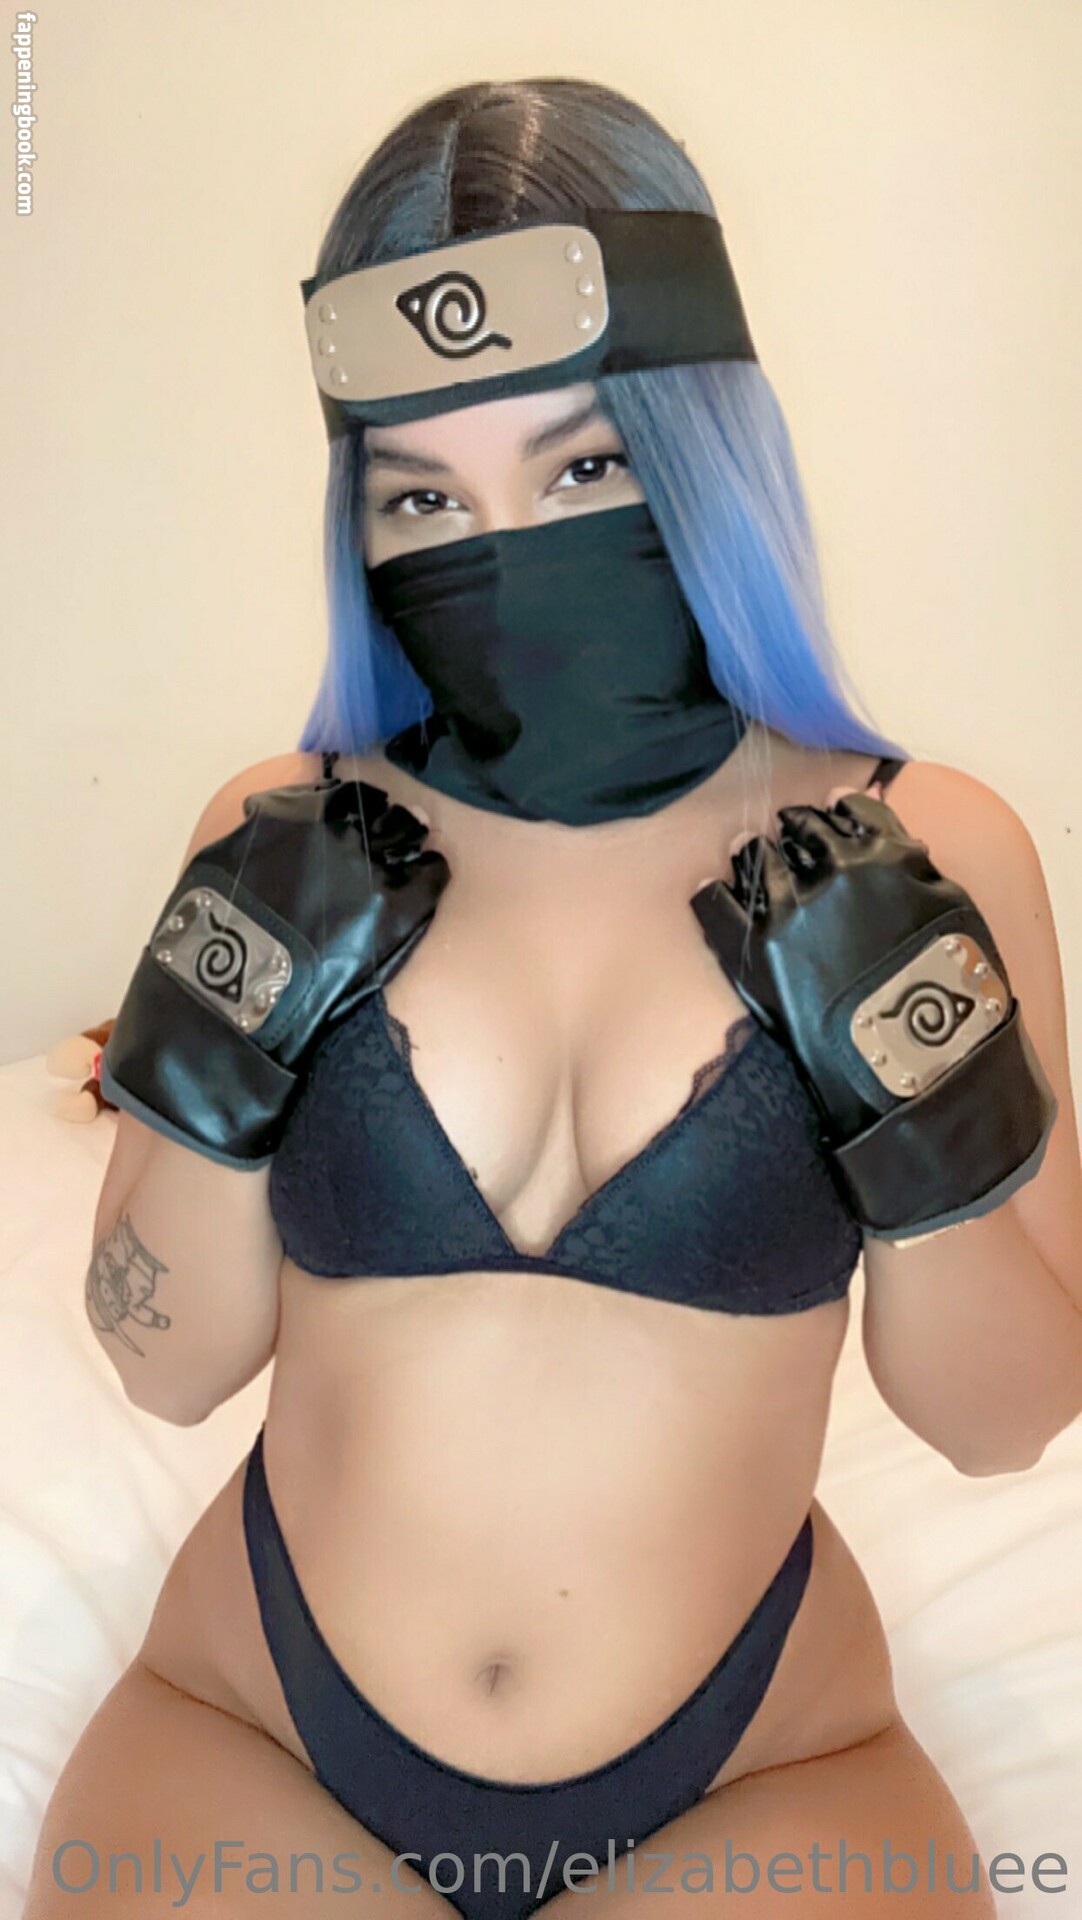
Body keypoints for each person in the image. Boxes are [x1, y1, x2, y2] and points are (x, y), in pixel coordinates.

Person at [26, 76, 1078, 1920]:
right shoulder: (278, 834)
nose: (500, 545)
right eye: (422, 493)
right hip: (257, 1726)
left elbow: (1003, 1423)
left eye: (583, 470)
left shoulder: (932, 849)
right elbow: (161, 1361)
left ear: (698, 452)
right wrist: (216, 1051)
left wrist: (914, 1118)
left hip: (759, 1769)